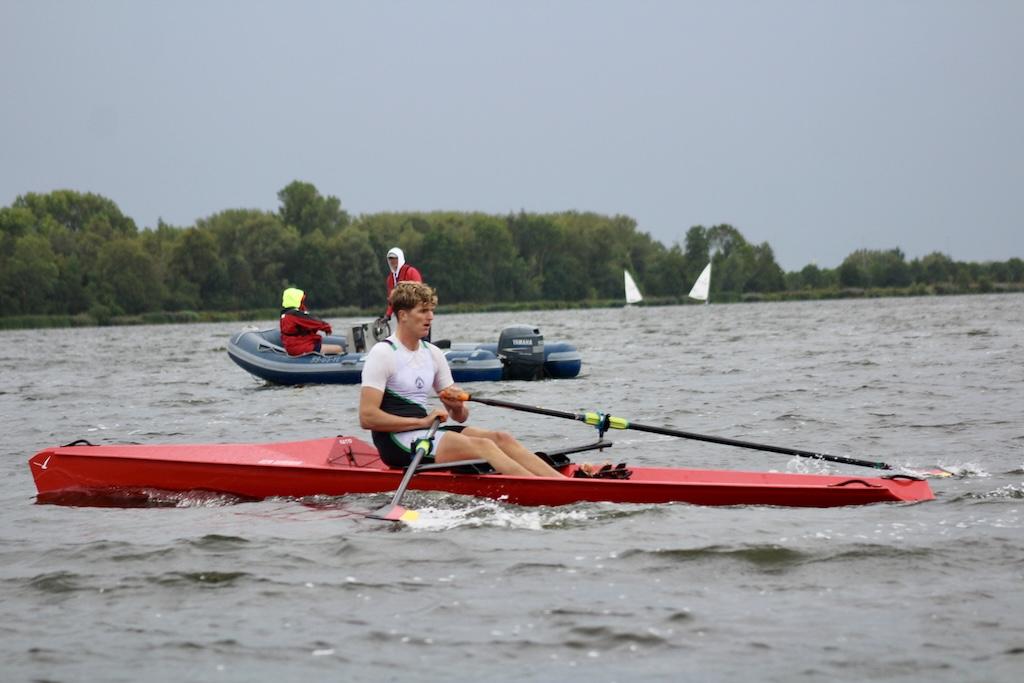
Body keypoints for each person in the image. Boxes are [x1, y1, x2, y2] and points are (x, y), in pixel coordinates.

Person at [359, 281, 565, 477]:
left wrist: (456, 406)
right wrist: (422, 421)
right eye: (423, 311)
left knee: (502, 438)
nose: (430, 317)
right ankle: (542, 489)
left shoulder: (433, 353)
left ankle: (563, 484)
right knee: (484, 446)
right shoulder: (383, 353)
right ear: (403, 315)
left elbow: (460, 417)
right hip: (395, 442)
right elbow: (367, 417)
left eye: (431, 310)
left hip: (425, 432)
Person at [279, 287, 343, 356]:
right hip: (301, 347)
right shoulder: (295, 314)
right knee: (338, 349)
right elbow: (314, 321)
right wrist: (327, 327)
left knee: (324, 346)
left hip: (293, 346)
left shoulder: (285, 314)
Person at [383, 247, 422, 320]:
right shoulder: (390, 279)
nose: (392, 261)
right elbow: (392, 300)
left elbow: (421, 291)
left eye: (395, 258)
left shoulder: (411, 272)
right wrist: (387, 315)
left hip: (415, 312)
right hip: (403, 315)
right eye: (390, 258)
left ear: (400, 258)